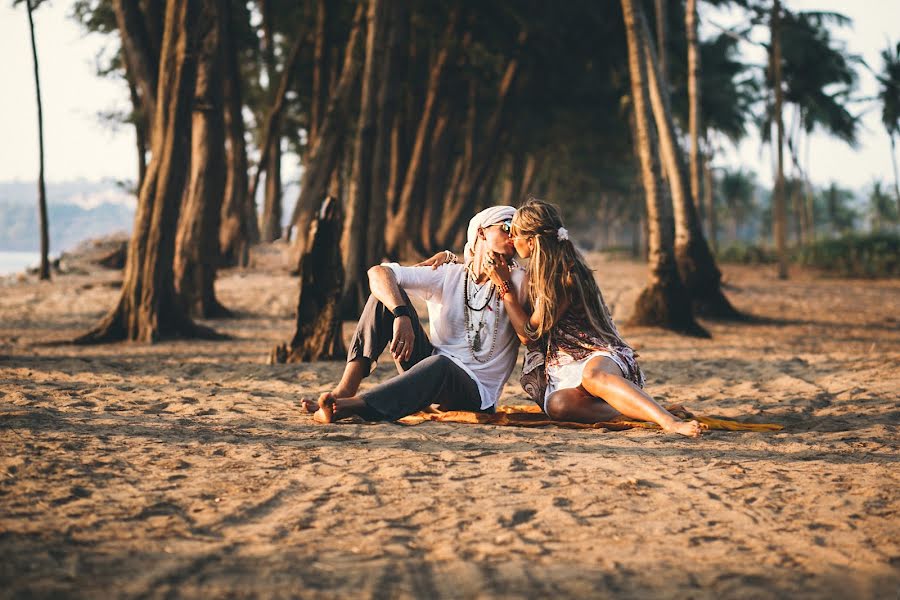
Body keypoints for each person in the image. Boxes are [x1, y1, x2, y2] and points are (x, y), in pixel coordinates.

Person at [478, 198, 702, 437]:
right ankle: (645, 411)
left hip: (597, 354)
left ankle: (668, 421)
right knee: (558, 406)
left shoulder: (564, 274)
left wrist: (504, 289)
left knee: (593, 376)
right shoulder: (536, 271)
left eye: (515, 234)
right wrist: (449, 257)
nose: (511, 239)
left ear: (531, 242)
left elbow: (529, 334)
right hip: (565, 362)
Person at [300, 206, 527, 423]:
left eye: (518, 232)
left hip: (476, 393)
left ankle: (353, 407)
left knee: (442, 364)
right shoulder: (449, 274)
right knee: (384, 297)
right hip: (427, 370)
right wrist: (401, 315)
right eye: (507, 227)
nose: (512, 236)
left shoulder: (519, 280)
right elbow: (378, 272)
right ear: (481, 232)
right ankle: (344, 390)